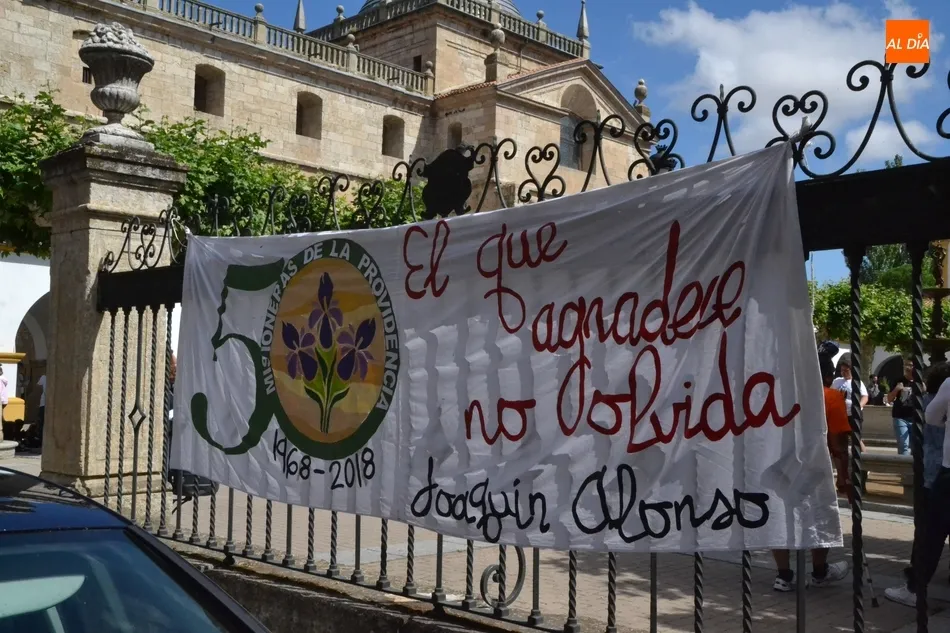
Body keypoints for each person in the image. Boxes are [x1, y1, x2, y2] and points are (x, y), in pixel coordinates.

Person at [772, 341, 851, 591]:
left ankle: (784, 575)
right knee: (820, 517)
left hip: (781, 465)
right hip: (816, 468)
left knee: (783, 518)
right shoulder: (831, 397)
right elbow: (839, 443)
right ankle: (819, 571)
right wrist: (844, 477)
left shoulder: (780, 394)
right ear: (827, 376)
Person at [884, 361, 950, 607]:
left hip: (937, 472)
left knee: (929, 532)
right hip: (937, 471)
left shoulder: (934, 397)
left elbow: (929, 423)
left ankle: (915, 587)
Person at [885, 360, 915, 456]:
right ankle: (905, 465)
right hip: (900, 416)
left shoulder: (919, 382)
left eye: (910, 365)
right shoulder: (898, 381)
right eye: (906, 365)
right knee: (903, 445)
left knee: (916, 446)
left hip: (915, 417)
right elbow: (889, 399)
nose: (907, 367)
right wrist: (896, 389)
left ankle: (914, 465)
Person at [831, 361, 868, 428]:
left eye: (846, 370)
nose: (843, 372)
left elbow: (865, 397)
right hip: (839, 414)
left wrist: (858, 407)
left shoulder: (857, 382)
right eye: (842, 370)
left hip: (853, 415)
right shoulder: (836, 381)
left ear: (851, 371)